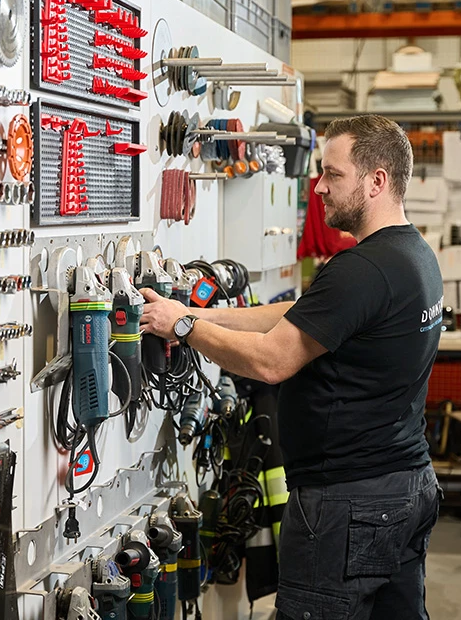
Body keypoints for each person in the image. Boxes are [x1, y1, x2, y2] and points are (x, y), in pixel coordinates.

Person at [140, 114, 444, 620]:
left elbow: (272, 361)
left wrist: (184, 329)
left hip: (347, 503)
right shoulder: (412, 255)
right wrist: (196, 312)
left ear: (377, 181)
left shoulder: (360, 269)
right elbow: (291, 316)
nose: (319, 187)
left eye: (333, 174)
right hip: (405, 484)